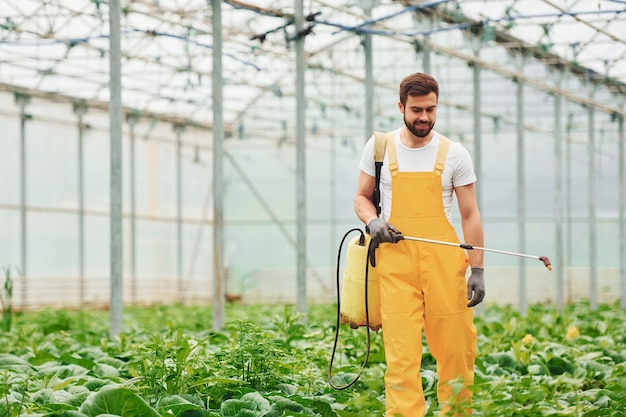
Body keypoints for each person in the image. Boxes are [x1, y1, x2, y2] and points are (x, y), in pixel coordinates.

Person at [353, 72, 485, 416]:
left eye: (430, 109)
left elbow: (470, 215)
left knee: (456, 350)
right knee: (401, 357)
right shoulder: (380, 148)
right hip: (396, 264)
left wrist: (478, 269)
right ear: (401, 107)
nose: (424, 117)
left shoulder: (454, 154)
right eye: (416, 110)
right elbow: (361, 198)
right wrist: (374, 222)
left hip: (444, 263)